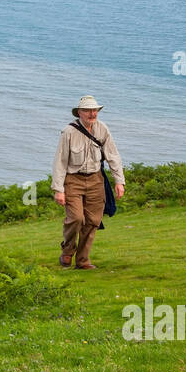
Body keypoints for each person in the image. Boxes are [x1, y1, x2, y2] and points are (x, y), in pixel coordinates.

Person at [52, 95, 126, 269]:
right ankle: (68, 250)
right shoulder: (68, 132)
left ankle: (82, 260)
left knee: (93, 221)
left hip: (96, 180)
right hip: (73, 180)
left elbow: (113, 156)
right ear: (79, 112)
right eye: (87, 110)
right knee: (76, 218)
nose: (92, 114)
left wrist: (119, 181)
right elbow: (60, 161)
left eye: (95, 110)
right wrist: (58, 189)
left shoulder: (103, 129)